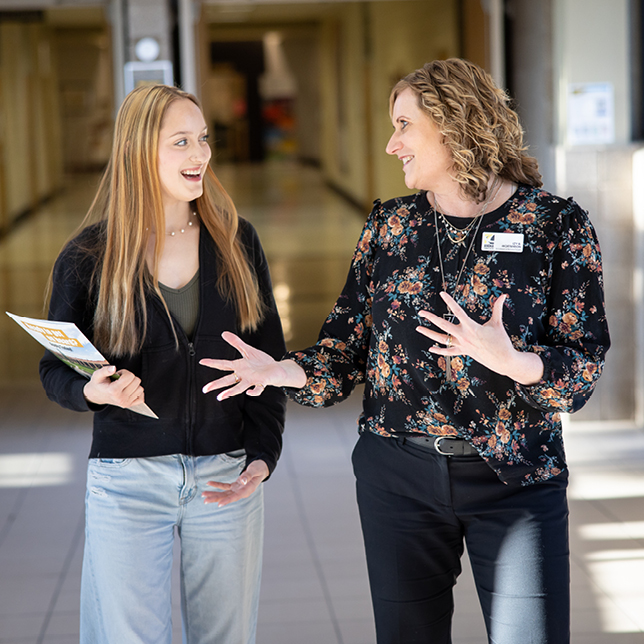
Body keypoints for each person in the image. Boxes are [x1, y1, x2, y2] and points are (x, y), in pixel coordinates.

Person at [200, 59, 610, 644]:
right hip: (397, 474)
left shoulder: (556, 226)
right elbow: (344, 351)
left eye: (403, 126)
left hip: (515, 475)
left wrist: (513, 361)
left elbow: (583, 370)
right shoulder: (390, 227)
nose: (392, 145)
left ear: (452, 125)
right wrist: (282, 370)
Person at [39, 84, 286, 644]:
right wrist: (95, 391)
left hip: (226, 475)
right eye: (181, 142)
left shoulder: (236, 243)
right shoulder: (88, 257)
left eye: (203, 139)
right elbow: (55, 370)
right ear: (138, 152)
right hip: (127, 481)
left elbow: (269, 364)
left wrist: (261, 459)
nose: (199, 155)